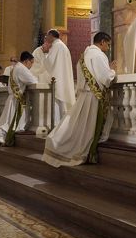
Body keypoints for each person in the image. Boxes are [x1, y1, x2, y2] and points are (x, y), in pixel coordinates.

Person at [42, 32, 117, 167]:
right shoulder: (99, 55)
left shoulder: (85, 55)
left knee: (78, 126)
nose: (108, 47)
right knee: (86, 129)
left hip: (84, 95)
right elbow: (106, 78)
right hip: (93, 98)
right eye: (108, 44)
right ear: (102, 42)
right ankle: (81, 151)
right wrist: (112, 70)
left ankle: (59, 144)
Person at [0, 51, 37, 147]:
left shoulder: (16, 67)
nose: (31, 65)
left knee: (10, 123)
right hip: (17, 101)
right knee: (12, 124)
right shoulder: (22, 69)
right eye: (31, 62)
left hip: (13, 99)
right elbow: (33, 80)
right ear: (27, 61)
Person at [40, 29, 76, 120]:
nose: (46, 38)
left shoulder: (56, 46)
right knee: (62, 102)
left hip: (57, 78)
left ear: (51, 36)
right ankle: (62, 123)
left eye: (47, 36)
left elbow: (50, 63)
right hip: (63, 78)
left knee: (58, 101)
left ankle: (57, 124)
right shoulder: (62, 46)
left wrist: (45, 54)